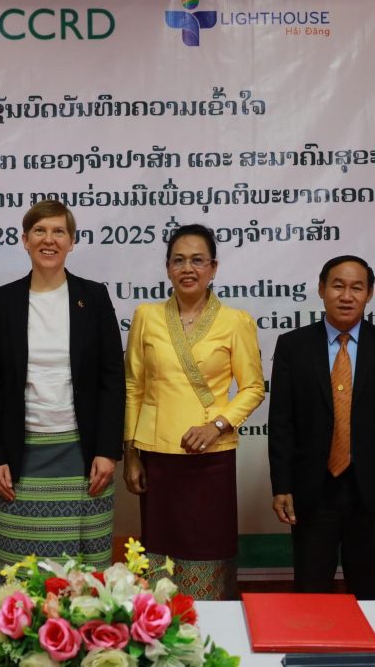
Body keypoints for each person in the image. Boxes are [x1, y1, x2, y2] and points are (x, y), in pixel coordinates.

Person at [0, 200, 124, 582]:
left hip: (83, 455)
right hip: (21, 456)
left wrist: (108, 450)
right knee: (20, 570)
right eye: (40, 231)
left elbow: (112, 379)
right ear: (24, 240)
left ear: (72, 242)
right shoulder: (4, 300)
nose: (49, 239)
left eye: (59, 231)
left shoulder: (93, 297)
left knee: (84, 572)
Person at [123, 224, 265, 600]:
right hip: (157, 454)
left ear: (213, 268)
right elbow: (134, 386)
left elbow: (253, 388)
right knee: (160, 554)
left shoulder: (235, 321)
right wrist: (131, 454)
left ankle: (212, 623)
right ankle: (160, 625)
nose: (188, 268)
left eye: (198, 260)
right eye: (179, 260)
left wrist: (217, 425)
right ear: (168, 268)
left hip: (210, 456)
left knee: (208, 546)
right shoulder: (146, 315)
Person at [268, 256, 375, 600]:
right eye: (337, 286)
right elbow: (281, 422)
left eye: (356, 287)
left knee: (368, 593)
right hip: (312, 491)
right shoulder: (293, 345)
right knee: (311, 592)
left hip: (372, 494)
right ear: (321, 289)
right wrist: (282, 485)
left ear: (369, 293)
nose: (346, 296)